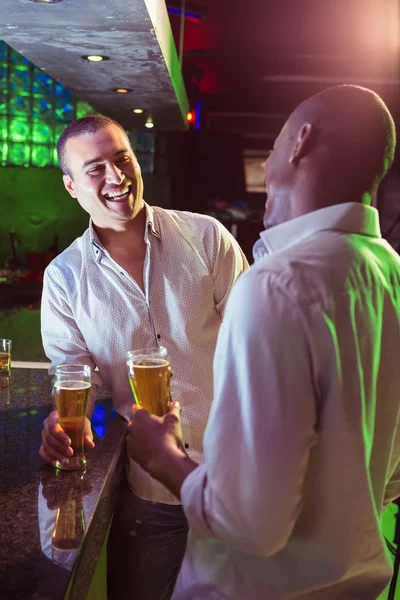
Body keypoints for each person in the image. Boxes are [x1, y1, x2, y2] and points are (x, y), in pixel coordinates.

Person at [127, 84, 400, 600]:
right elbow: (391, 477)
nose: (269, 161)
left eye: (272, 145)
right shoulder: (393, 275)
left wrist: (163, 455)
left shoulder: (276, 284)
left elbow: (248, 524)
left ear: (300, 142)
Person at [39, 115, 248, 600]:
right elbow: (74, 377)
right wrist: (62, 420)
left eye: (123, 158)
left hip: (234, 479)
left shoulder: (207, 237)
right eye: (96, 169)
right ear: (71, 186)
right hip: (151, 493)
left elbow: (256, 346)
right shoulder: (64, 278)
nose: (116, 177)